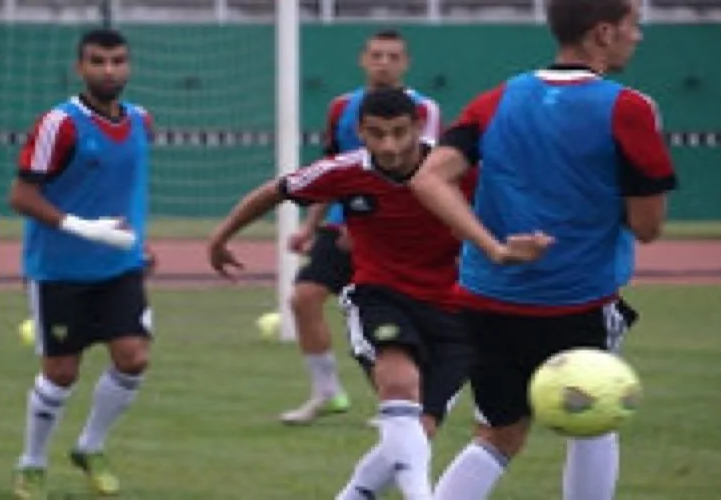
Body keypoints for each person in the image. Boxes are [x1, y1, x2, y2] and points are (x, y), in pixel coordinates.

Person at [207, 89, 549, 499]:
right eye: (376, 134)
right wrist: (220, 238)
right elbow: (277, 190)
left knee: (415, 432)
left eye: (399, 133)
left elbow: (509, 209)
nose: (389, 145)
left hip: (455, 312)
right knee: (399, 384)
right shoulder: (346, 170)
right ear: (360, 133)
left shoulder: (456, 172)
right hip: (380, 297)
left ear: (419, 128)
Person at [409, 0, 678, 498]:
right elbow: (647, 226)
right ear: (602, 32)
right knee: (596, 421)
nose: (637, 37)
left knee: (497, 436)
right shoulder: (630, 108)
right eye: (632, 26)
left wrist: (493, 246)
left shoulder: (496, 100)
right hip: (576, 301)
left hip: (484, 301)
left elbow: (429, 180)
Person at [9, 28, 155, 500]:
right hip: (60, 270)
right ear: (81, 67)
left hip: (119, 266)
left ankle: (91, 446)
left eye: (117, 61)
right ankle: (31, 463)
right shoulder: (60, 124)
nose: (108, 70)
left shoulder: (141, 121)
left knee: (134, 357)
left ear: (128, 66)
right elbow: (21, 194)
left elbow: (124, 190)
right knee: (62, 372)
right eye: (98, 61)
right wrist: (82, 226)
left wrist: (137, 243)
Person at [280, 28, 441, 425]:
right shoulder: (341, 108)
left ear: (406, 63)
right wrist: (309, 226)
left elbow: (430, 177)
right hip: (342, 223)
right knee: (303, 298)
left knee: (393, 316)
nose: (383, 63)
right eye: (376, 55)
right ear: (363, 60)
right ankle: (327, 392)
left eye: (392, 56)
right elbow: (328, 174)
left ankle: (401, 402)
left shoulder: (425, 111)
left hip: (396, 231)